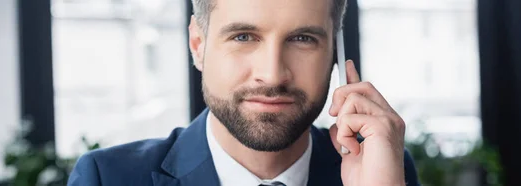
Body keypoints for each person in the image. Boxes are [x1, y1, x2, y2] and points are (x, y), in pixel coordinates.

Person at [68, 0, 420, 185]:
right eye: (243, 37)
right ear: (197, 44)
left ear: (335, 54)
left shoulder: (380, 169)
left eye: (302, 39)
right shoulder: (108, 178)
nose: (272, 74)